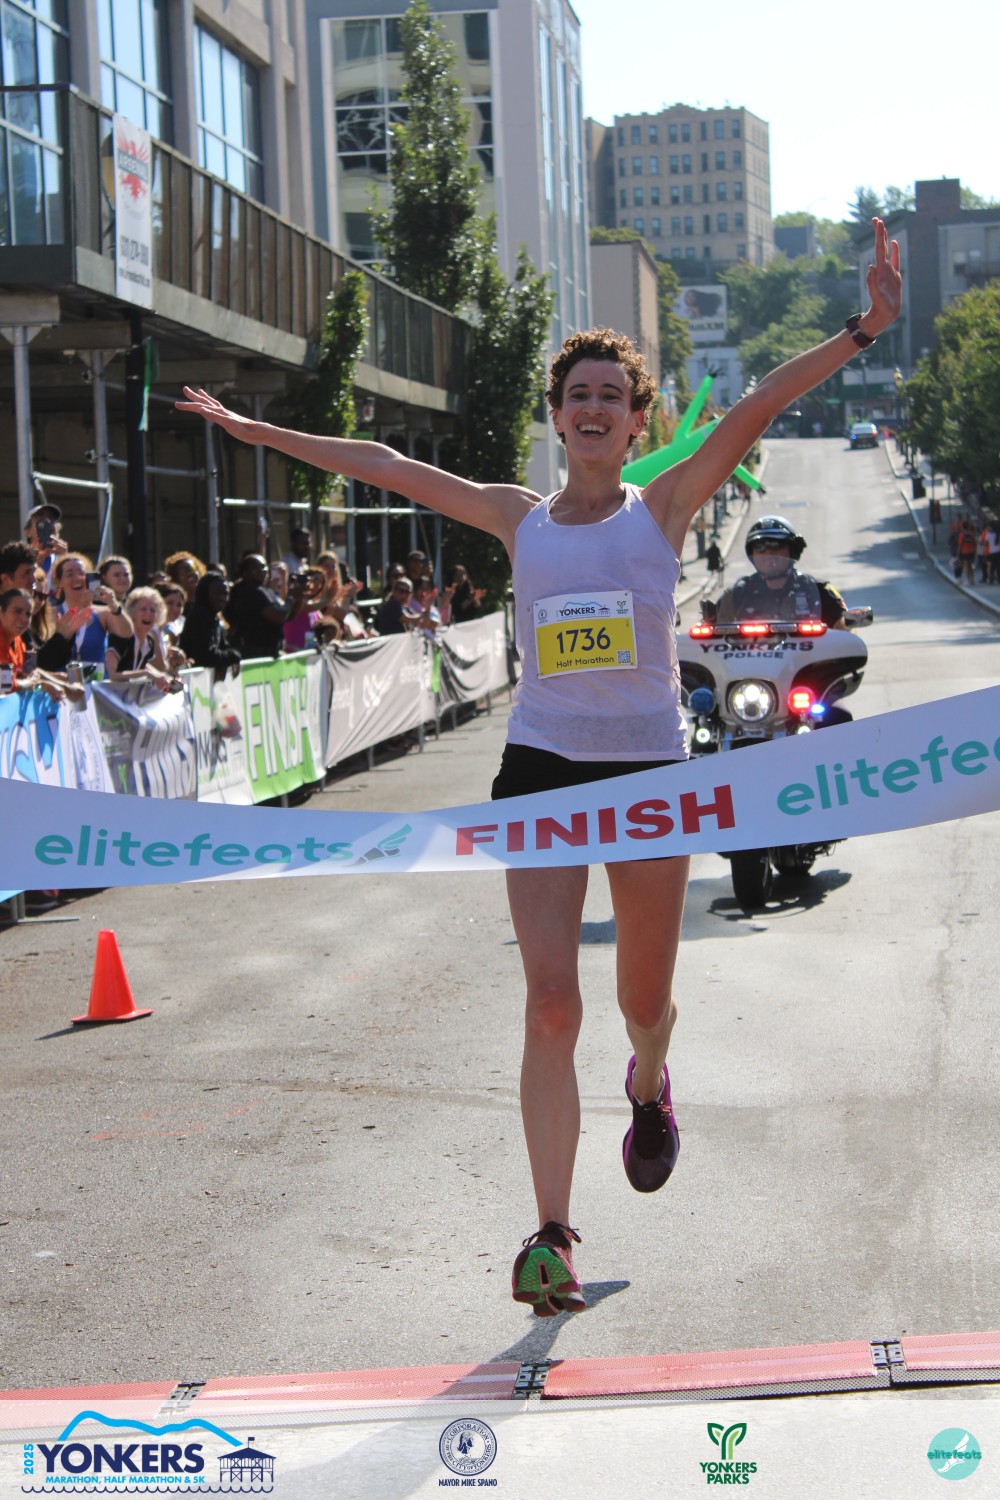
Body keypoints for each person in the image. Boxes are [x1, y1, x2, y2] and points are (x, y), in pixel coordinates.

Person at [178, 218, 901, 1316]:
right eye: (578, 395)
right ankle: (551, 1233)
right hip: (540, 774)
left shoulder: (665, 507)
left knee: (641, 1001)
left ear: (636, 419)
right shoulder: (520, 521)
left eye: (613, 394)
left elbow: (756, 404)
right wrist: (251, 428)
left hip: (648, 777)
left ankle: (649, 1082)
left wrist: (864, 330)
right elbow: (389, 465)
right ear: (557, 417)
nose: (595, 407)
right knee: (552, 1004)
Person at [711, 516, 847, 629]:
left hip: (811, 655)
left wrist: (846, 624)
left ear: (792, 551)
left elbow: (845, 633)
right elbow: (710, 640)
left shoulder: (820, 591)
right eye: (759, 547)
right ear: (752, 554)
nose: (768, 553)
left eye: (777, 545)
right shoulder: (737, 595)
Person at [226, 553, 304, 658]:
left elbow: (288, 616)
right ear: (245, 573)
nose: (261, 570)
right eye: (254, 568)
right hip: (256, 654)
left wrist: (299, 596)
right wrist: (291, 598)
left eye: (263, 566)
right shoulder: (250, 591)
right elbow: (278, 617)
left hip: (269, 653)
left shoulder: (265, 590)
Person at [105, 587, 181, 691]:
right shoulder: (121, 637)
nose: (148, 613)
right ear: (132, 613)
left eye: (153, 610)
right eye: (143, 609)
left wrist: (163, 677)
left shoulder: (149, 641)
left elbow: (143, 665)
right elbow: (112, 675)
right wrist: (147, 674)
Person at [179, 572, 242, 674]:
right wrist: (234, 656)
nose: (222, 598)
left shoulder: (213, 616)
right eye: (216, 593)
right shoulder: (200, 616)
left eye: (225, 594)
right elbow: (205, 656)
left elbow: (223, 648)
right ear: (205, 594)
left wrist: (232, 655)